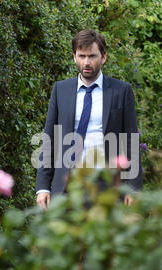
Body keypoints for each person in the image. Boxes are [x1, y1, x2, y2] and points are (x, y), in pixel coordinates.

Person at [36, 29, 143, 210]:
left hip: (108, 184)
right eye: (82, 56)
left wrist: (133, 188)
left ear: (103, 57)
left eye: (92, 56)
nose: (86, 62)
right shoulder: (60, 90)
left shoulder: (121, 91)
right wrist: (43, 187)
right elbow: (49, 139)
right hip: (67, 184)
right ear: (74, 57)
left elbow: (131, 141)